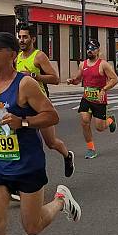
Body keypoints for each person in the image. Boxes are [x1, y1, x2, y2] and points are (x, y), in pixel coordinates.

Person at [0, 32, 81, 235]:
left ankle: (61, 201)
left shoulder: (25, 84)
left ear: (12, 55)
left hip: (27, 165)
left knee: (32, 227)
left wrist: (24, 122)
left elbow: (52, 115)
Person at [16, 24, 74, 177]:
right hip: (24, 106)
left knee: (51, 142)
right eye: (20, 37)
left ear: (33, 39)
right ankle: (21, 179)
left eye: (25, 37)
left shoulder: (39, 56)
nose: (21, 40)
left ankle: (67, 156)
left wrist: (33, 76)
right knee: (21, 143)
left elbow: (55, 79)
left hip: (41, 106)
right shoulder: (17, 58)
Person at [67, 39, 118, 159]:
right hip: (86, 98)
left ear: (98, 50)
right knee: (84, 122)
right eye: (88, 48)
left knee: (100, 128)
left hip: (99, 99)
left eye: (93, 48)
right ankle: (91, 148)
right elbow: (78, 79)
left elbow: (115, 79)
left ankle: (110, 120)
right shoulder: (82, 64)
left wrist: (104, 89)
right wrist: (72, 81)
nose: (90, 50)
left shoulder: (103, 64)